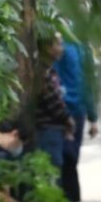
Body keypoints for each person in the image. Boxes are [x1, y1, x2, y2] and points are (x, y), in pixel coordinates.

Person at [54, 34, 99, 202]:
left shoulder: (79, 49)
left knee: (64, 157)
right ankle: (70, 196)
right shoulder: (81, 48)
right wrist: (93, 117)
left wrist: (93, 117)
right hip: (72, 109)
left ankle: (67, 198)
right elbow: (88, 84)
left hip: (65, 109)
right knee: (69, 157)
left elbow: (88, 84)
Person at [33, 35, 77, 191]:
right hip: (47, 130)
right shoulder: (43, 72)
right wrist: (68, 120)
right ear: (47, 47)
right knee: (52, 171)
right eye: (58, 44)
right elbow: (53, 102)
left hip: (52, 130)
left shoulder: (49, 70)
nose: (62, 48)